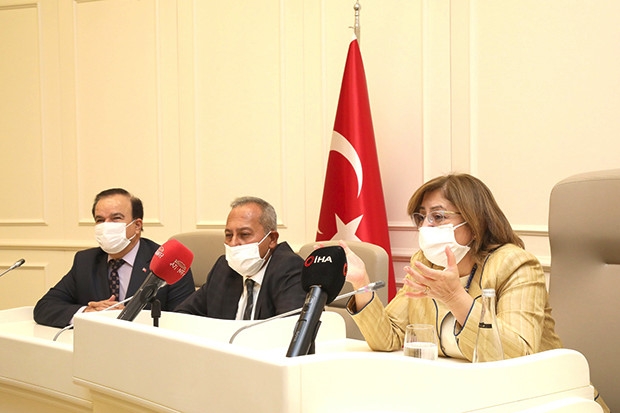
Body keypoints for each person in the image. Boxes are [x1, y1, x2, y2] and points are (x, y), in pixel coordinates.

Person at [341, 173, 609, 412]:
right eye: (421, 217)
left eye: (438, 217)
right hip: (470, 396)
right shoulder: (426, 263)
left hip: (544, 399)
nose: (425, 227)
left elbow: (517, 356)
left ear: (473, 222)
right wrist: (361, 283)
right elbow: (389, 338)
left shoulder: (515, 264)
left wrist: (455, 298)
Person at [33, 188, 196, 328]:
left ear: (137, 225)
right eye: (100, 220)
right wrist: (88, 313)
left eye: (116, 218)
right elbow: (45, 307)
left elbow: (184, 321)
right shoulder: (85, 261)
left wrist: (125, 318)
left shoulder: (169, 264)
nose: (106, 225)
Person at [175, 196, 307, 320]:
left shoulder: (290, 268)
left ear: (272, 239)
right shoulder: (224, 268)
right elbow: (182, 315)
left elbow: (288, 329)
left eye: (244, 234)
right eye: (228, 235)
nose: (233, 243)